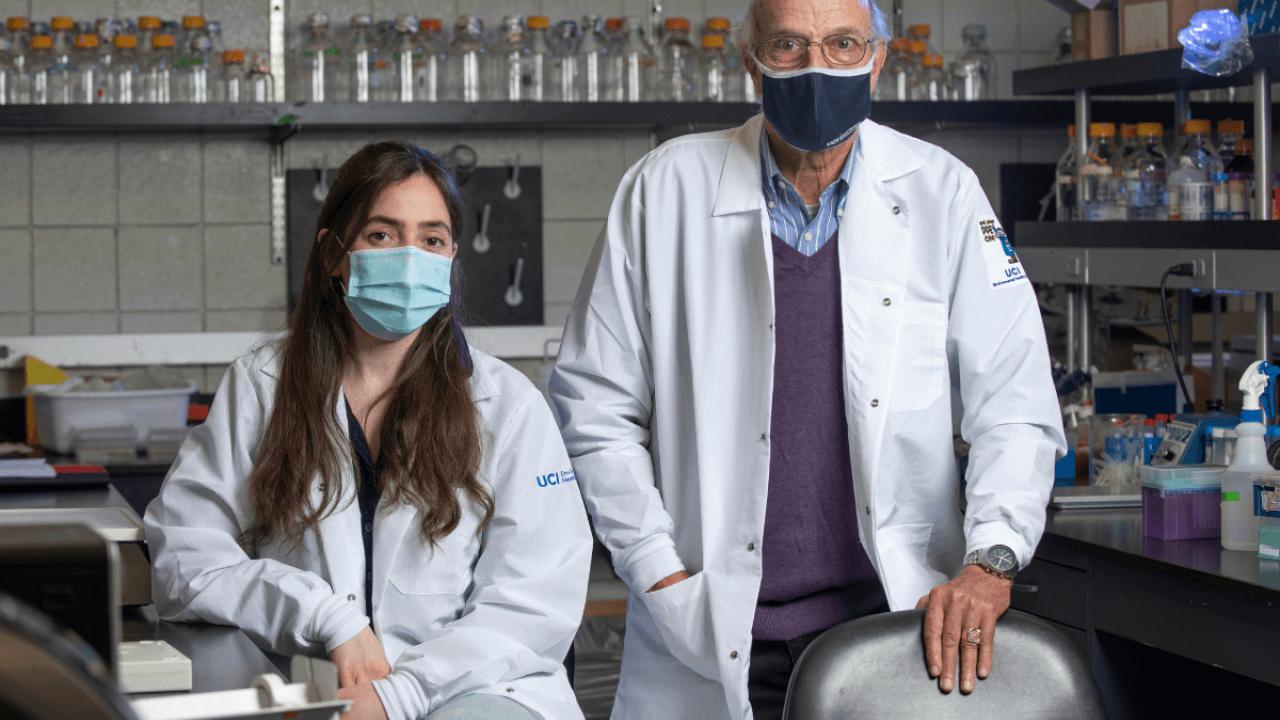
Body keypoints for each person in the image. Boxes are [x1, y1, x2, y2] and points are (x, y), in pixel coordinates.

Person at [549, 0, 1067, 717]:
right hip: (708, 627)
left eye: (843, 43)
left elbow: (1013, 405)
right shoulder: (663, 189)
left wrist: (992, 560)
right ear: (751, 62)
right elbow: (593, 408)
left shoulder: (941, 192)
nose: (817, 66)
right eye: (789, 45)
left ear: (877, 59)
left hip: (896, 631)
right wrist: (657, 572)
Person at [145, 142, 592, 720]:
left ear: (451, 259)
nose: (409, 258)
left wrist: (401, 693)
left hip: (478, 692)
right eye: (381, 235)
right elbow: (184, 559)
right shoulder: (263, 385)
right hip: (317, 693)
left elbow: (536, 600)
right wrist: (325, 615)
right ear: (333, 254)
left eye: (431, 240)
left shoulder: (505, 404)